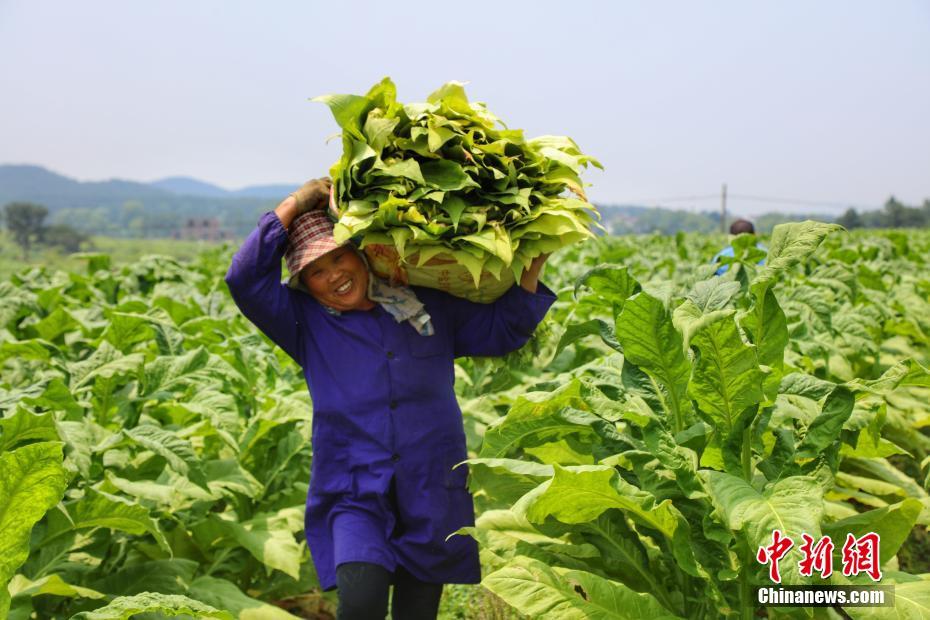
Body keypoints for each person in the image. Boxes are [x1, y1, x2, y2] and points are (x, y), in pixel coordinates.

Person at [224, 178, 555, 619]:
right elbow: (243, 278)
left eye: (338, 257)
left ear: (361, 254)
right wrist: (298, 202)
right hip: (354, 492)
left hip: (430, 488)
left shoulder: (424, 304)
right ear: (304, 284)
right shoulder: (302, 323)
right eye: (316, 272)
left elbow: (501, 330)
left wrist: (535, 259)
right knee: (361, 607)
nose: (334, 276)